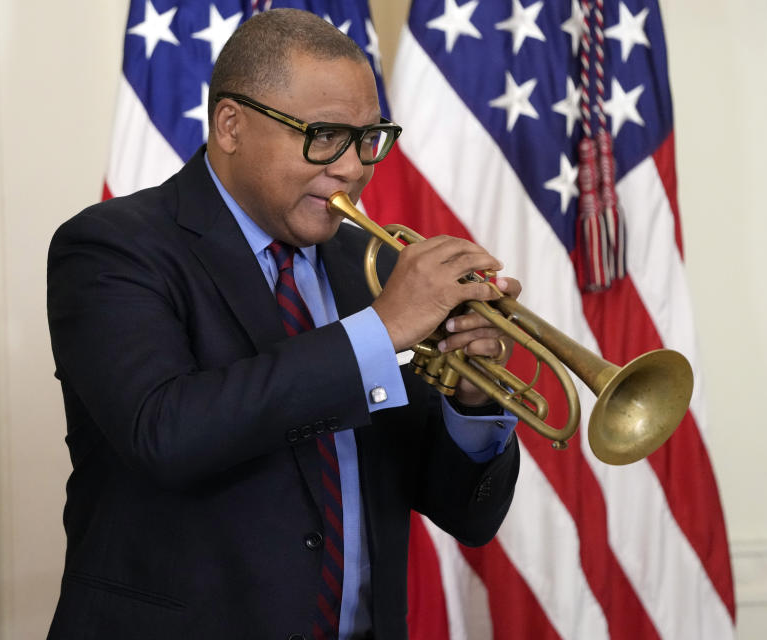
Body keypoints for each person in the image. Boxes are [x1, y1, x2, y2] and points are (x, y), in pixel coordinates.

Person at [45, 9, 521, 640]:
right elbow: (165, 432)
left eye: (368, 138)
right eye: (324, 135)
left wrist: (474, 396)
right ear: (231, 125)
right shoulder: (111, 247)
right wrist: (382, 331)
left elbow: (469, 517)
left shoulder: (364, 266)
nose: (353, 167)